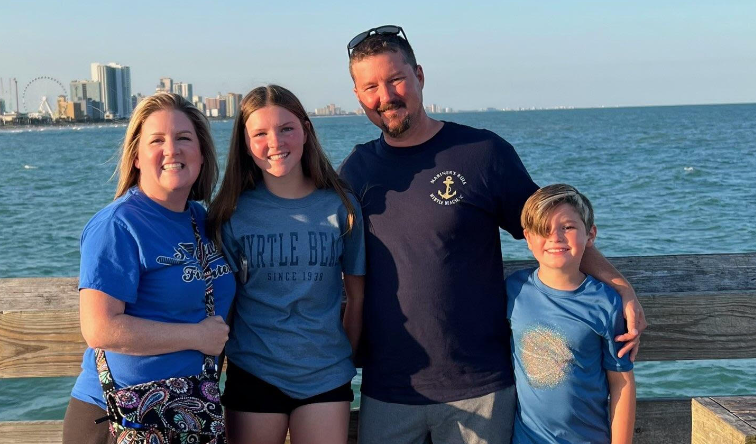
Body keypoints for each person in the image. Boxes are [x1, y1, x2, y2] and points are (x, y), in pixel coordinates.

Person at [338, 26, 646, 444]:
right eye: (370, 86)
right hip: (389, 388)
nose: (385, 95)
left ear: (420, 76)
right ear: (358, 95)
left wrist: (619, 286)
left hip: (480, 385)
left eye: (395, 79)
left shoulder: (482, 153)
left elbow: (551, 230)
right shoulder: (357, 170)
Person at [62, 92, 236, 444]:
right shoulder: (118, 225)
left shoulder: (203, 221)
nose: (172, 150)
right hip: (120, 418)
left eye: (184, 138)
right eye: (156, 140)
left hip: (193, 413)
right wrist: (196, 336)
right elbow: (99, 328)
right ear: (137, 157)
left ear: (202, 154)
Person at [207, 84, 365, 444]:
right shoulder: (230, 214)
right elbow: (224, 307)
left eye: (286, 128)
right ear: (245, 143)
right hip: (253, 372)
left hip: (325, 375)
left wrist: (344, 361)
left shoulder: (341, 206)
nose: (274, 142)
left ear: (306, 131)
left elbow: (357, 298)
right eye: (259, 133)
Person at [507, 184, 636, 444]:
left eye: (567, 227)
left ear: (590, 235)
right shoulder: (513, 291)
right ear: (528, 238)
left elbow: (621, 383)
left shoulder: (607, 302)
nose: (555, 237)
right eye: (543, 230)